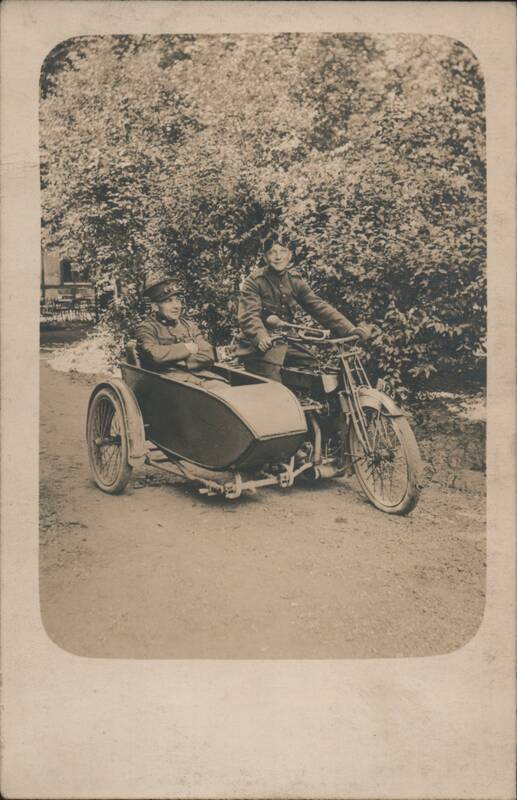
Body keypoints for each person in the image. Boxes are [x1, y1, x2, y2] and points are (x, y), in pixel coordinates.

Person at [237, 232, 372, 381]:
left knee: (313, 369)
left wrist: (349, 329)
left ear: (290, 255)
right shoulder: (254, 281)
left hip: (286, 342)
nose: (278, 257)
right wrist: (260, 336)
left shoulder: (294, 280)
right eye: (272, 252)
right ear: (265, 257)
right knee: (274, 384)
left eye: (283, 251)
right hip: (259, 347)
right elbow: (249, 315)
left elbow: (318, 306)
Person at [135, 277, 217, 382]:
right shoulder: (146, 328)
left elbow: (209, 353)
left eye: (178, 300)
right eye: (168, 301)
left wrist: (182, 362)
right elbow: (154, 354)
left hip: (203, 377)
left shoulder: (189, 326)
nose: (177, 306)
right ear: (155, 306)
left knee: (228, 389)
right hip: (168, 383)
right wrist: (186, 348)